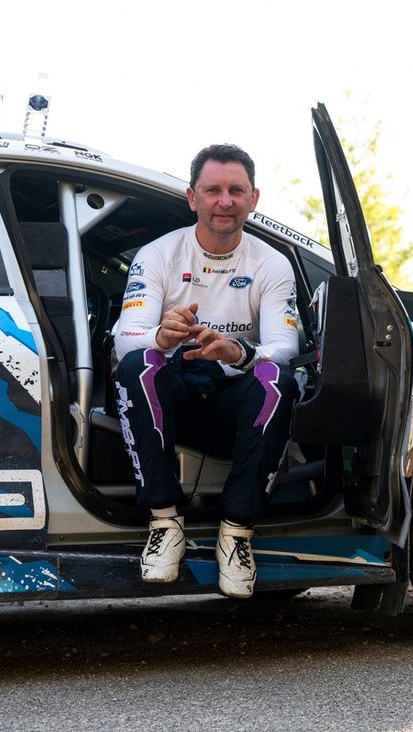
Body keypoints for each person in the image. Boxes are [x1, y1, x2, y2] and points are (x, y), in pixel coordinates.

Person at [112, 144, 300, 599]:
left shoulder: (272, 263)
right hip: (173, 398)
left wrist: (237, 352)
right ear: (192, 197)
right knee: (139, 365)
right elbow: (124, 337)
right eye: (213, 190)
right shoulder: (158, 254)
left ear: (253, 199)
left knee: (278, 379)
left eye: (236, 191)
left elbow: (285, 346)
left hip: (232, 404)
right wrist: (162, 336)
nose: (225, 200)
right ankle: (165, 522)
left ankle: (236, 533)